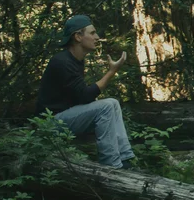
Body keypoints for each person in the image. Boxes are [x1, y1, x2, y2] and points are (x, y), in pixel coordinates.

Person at [35, 14, 135, 168]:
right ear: (78, 37)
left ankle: (125, 159)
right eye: (92, 33)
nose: (97, 37)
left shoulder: (76, 60)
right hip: (50, 124)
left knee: (112, 103)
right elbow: (85, 95)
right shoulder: (62, 61)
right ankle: (112, 166)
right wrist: (112, 72)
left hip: (65, 117)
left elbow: (80, 98)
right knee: (106, 106)